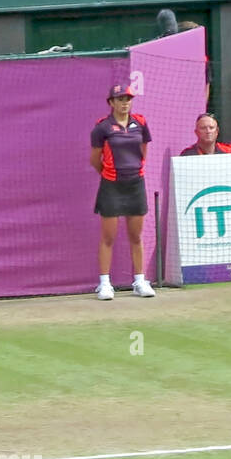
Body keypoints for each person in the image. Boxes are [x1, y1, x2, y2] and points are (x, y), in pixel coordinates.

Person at [90, 82, 154, 300]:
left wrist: (134, 170)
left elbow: (142, 151)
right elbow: (94, 159)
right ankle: (105, 284)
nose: (125, 103)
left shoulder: (141, 123)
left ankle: (139, 280)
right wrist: (110, 173)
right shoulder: (102, 128)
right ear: (111, 103)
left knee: (136, 236)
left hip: (136, 184)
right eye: (120, 99)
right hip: (111, 186)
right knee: (108, 237)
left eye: (127, 99)